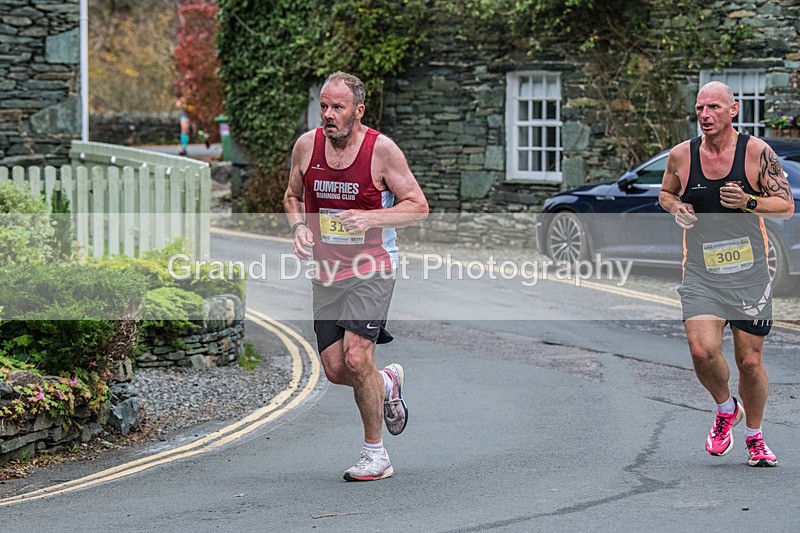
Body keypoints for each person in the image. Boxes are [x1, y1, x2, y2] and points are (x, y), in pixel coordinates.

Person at [283, 71, 428, 481]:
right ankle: (385, 383)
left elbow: (417, 206)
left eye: (338, 107)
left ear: (358, 111)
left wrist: (370, 218)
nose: (328, 115)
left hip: (373, 267)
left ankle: (375, 454)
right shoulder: (306, 147)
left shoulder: (381, 151)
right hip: (326, 270)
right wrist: (298, 228)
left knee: (356, 355)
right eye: (324, 107)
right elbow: (292, 196)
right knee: (333, 368)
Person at [659, 81, 794, 467]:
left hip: (750, 273)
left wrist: (750, 201)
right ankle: (724, 408)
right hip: (702, 272)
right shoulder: (682, 156)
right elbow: (666, 193)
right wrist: (676, 208)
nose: (705, 115)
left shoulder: (755, 153)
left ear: (733, 110)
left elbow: (785, 206)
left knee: (749, 362)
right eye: (700, 108)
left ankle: (754, 436)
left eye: (714, 107)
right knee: (702, 351)